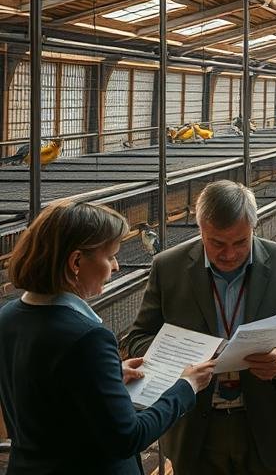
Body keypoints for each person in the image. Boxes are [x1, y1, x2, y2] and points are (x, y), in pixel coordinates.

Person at [124, 180, 276, 475]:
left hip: (265, 425)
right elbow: (140, 337)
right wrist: (179, 357)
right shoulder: (168, 268)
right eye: (217, 243)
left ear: (254, 228)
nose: (229, 254)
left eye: (241, 242)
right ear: (201, 228)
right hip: (194, 429)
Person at [0, 201, 215, 474]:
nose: (115, 266)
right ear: (76, 261)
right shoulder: (88, 338)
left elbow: (50, 396)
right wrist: (186, 387)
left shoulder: (9, 317)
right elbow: (128, 437)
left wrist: (107, 375)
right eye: (110, 256)